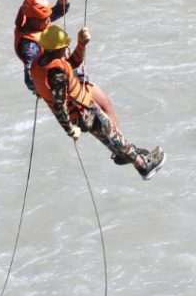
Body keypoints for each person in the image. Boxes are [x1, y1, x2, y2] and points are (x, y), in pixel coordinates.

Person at [27, 23, 164, 179]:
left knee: (108, 137)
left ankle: (125, 155)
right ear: (57, 49)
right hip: (82, 112)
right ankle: (143, 165)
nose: (67, 49)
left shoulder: (41, 62)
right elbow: (59, 106)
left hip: (80, 110)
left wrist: (81, 44)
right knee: (112, 134)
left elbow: (71, 64)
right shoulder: (58, 74)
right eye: (65, 46)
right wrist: (70, 129)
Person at [12, 0, 71, 96]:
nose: (49, 20)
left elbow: (61, 9)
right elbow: (30, 80)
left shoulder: (39, 22)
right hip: (52, 81)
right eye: (45, 19)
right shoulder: (30, 46)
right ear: (33, 20)